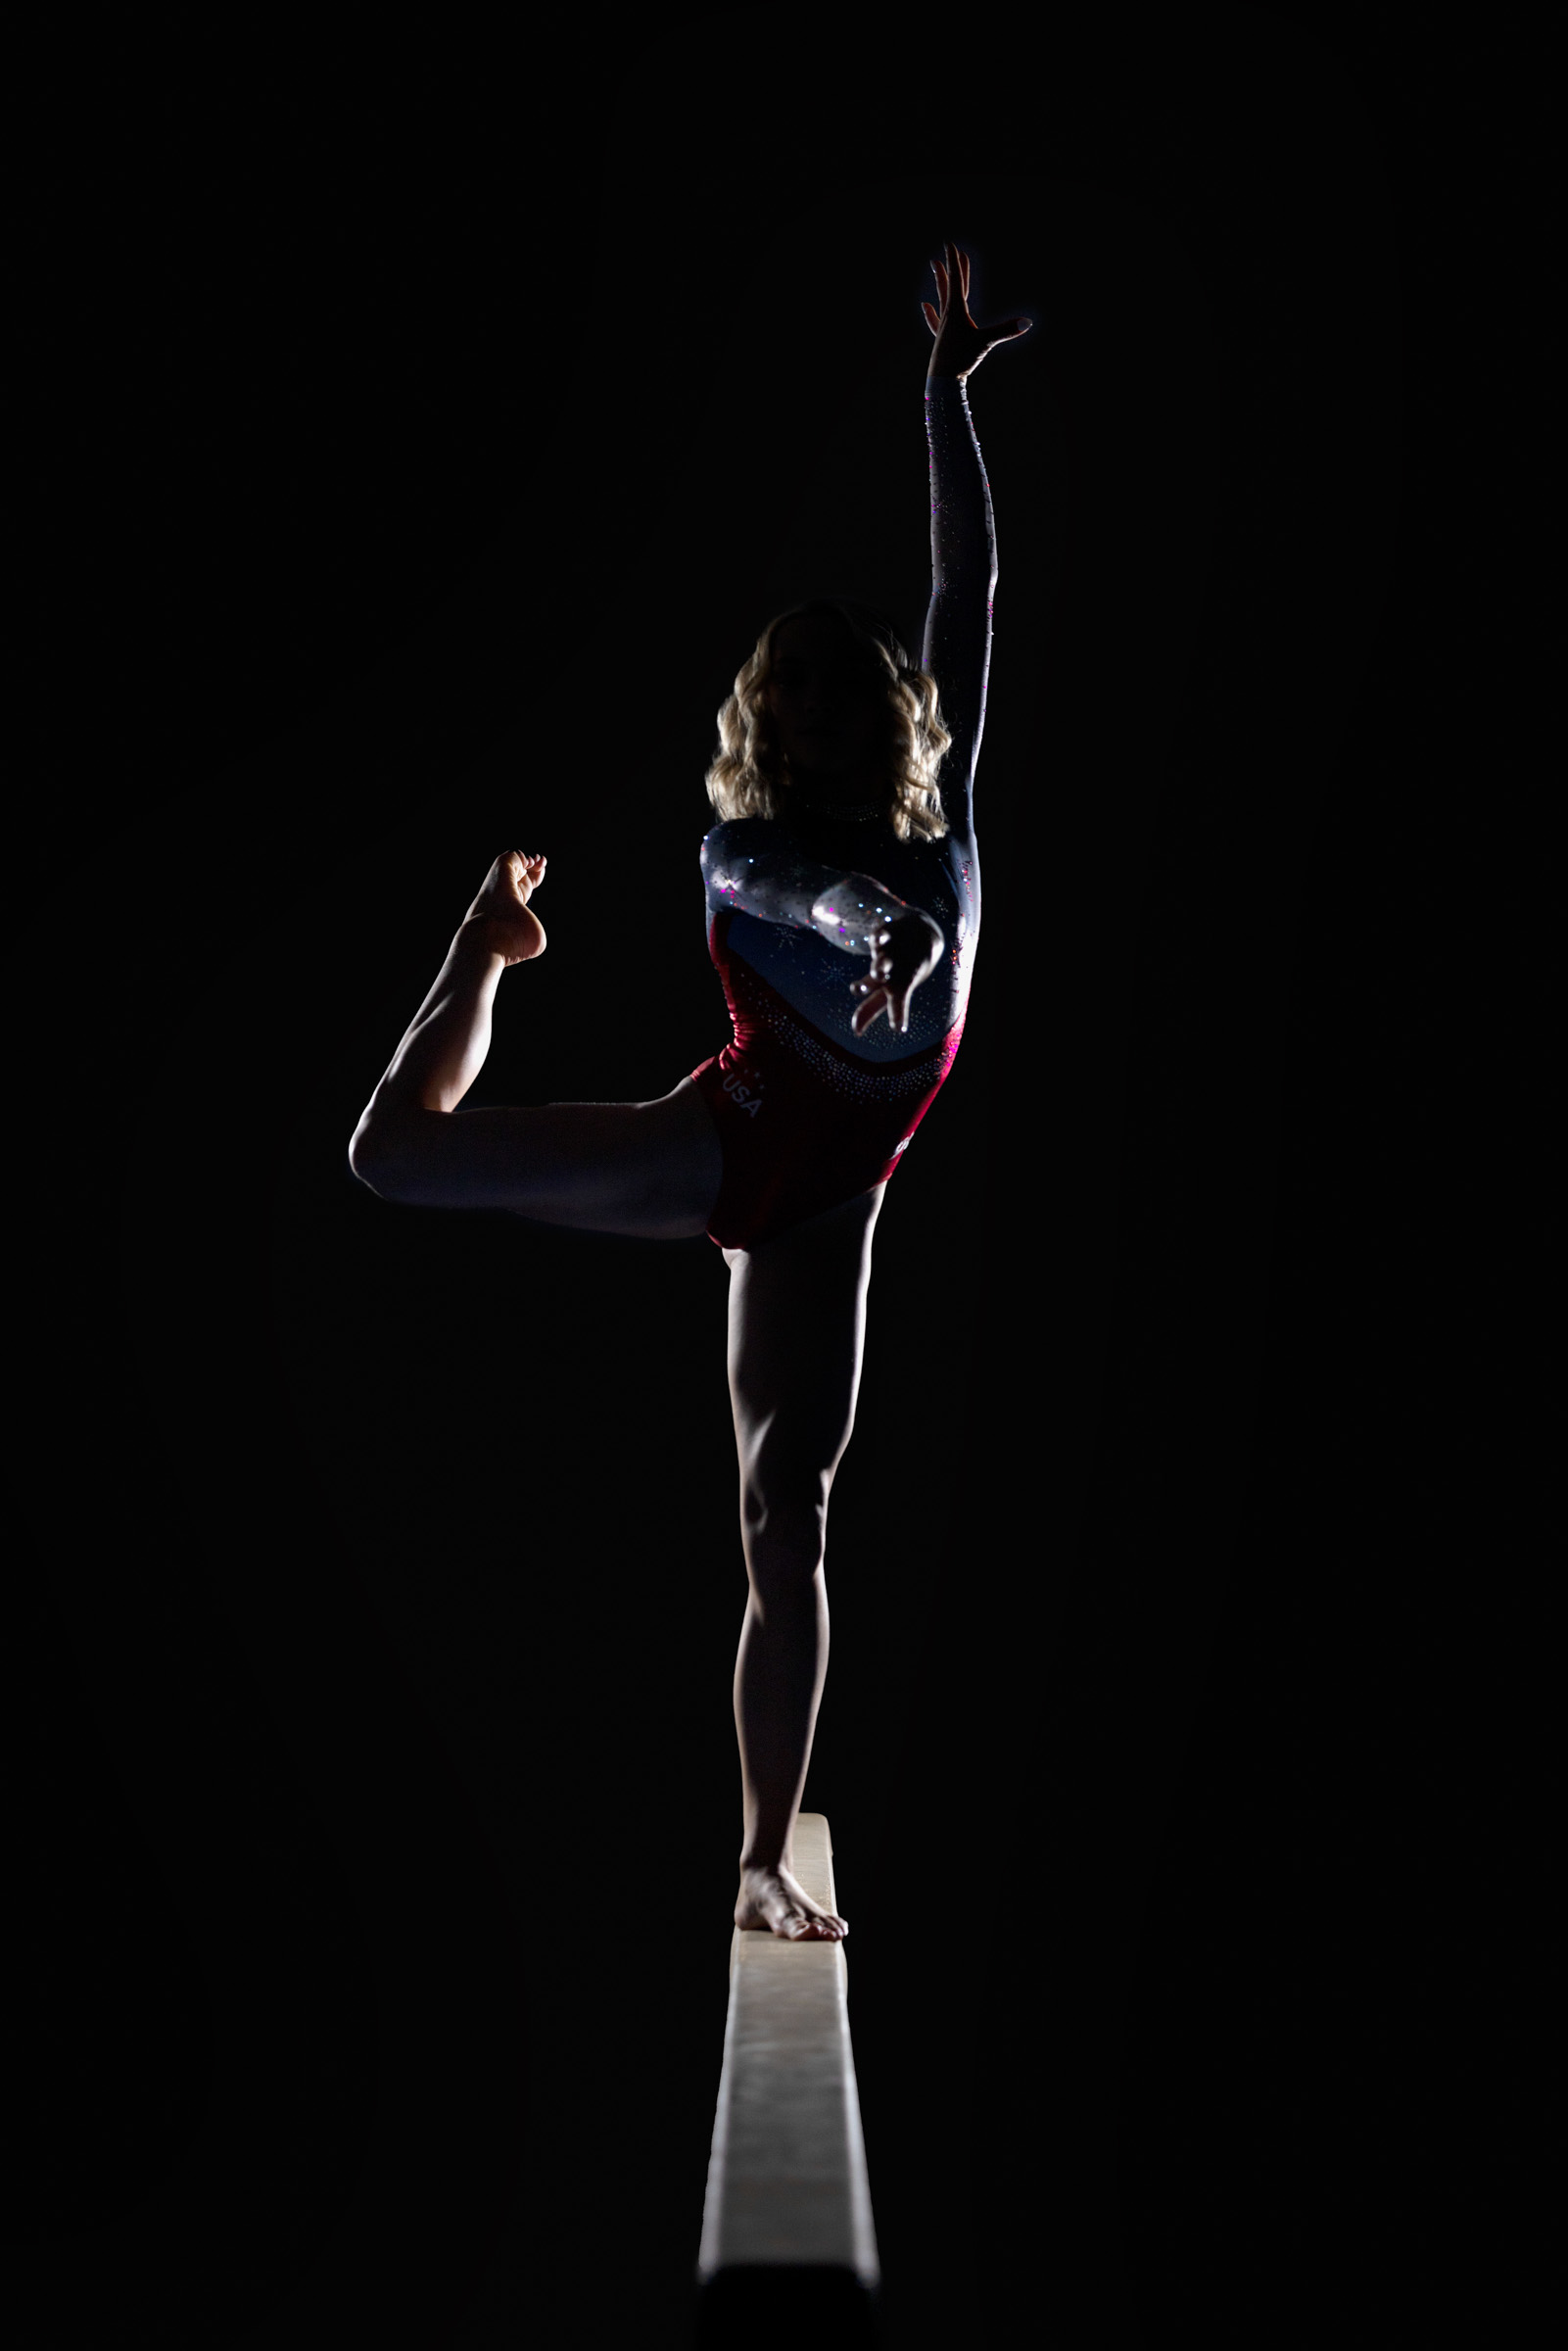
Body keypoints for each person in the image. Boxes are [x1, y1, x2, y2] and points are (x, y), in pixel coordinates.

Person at [349, 240, 1030, 1940]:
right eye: (772, 700)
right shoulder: (739, 855)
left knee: (784, 1517)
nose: (792, 723)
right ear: (757, 728)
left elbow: (970, 603)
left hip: (835, 1201)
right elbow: (810, 902)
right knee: (390, 1161)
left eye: (822, 695)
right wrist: (863, 921)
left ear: (878, 715)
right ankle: (478, 948)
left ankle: (753, 1855)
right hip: (720, 1146)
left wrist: (941, 396)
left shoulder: (943, 834)